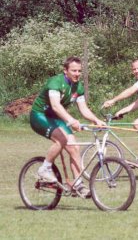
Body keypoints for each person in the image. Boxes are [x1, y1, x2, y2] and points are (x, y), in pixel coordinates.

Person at [30, 56, 105, 198]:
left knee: (74, 147)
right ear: (65, 71)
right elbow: (56, 106)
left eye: (79, 71)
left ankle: (78, 185)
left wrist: (96, 120)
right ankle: (44, 169)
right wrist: (71, 121)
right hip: (39, 116)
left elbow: (83, 109)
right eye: (73, 71)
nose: (77, 74)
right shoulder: (55, 82)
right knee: (62, 140)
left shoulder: (78, 87)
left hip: (56, 118)